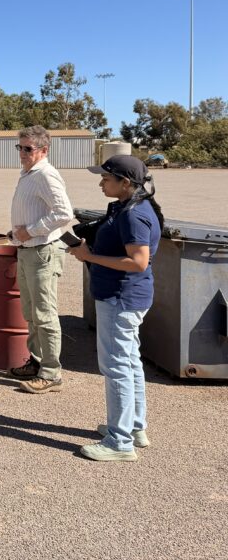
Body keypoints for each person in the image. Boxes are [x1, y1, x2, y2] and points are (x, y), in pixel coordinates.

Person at [68, 155, 163, 462]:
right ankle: (134, 427)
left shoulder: (134, 214)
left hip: (120, 298)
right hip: (126, 297)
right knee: (130, 362)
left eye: (106, 179)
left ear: (125, 183)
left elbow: (138, 261)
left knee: (117, 366)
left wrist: (89, 257)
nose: (101, 182)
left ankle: (119, 442)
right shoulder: (127, 207)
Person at [8, 126, 74, 393]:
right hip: (27, 250)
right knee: (31, 313)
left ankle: (51, 373)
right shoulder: (29, 173)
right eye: (20, 148)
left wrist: (30, 231)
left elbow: (64, 213)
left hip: (42, 251)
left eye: (28, 149)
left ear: (44, 150)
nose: (22, 153)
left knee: (44, 314)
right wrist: (18, 234)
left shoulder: (46, 174)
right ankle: (36, 362)